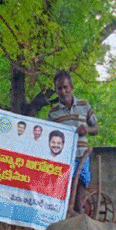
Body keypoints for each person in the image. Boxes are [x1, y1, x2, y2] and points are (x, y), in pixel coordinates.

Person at [48, 70, 99, 211]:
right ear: (56, 90)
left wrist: (86, 130)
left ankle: (79, 214)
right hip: (63, 159)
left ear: (71, 87)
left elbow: (96, 128)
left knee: (80, 191)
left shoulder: (84, 106)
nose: (63, 91)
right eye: (59, 88)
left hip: (82, 155)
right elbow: (49, 137)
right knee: (66, 194)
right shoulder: (53, 114)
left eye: (65, 87)